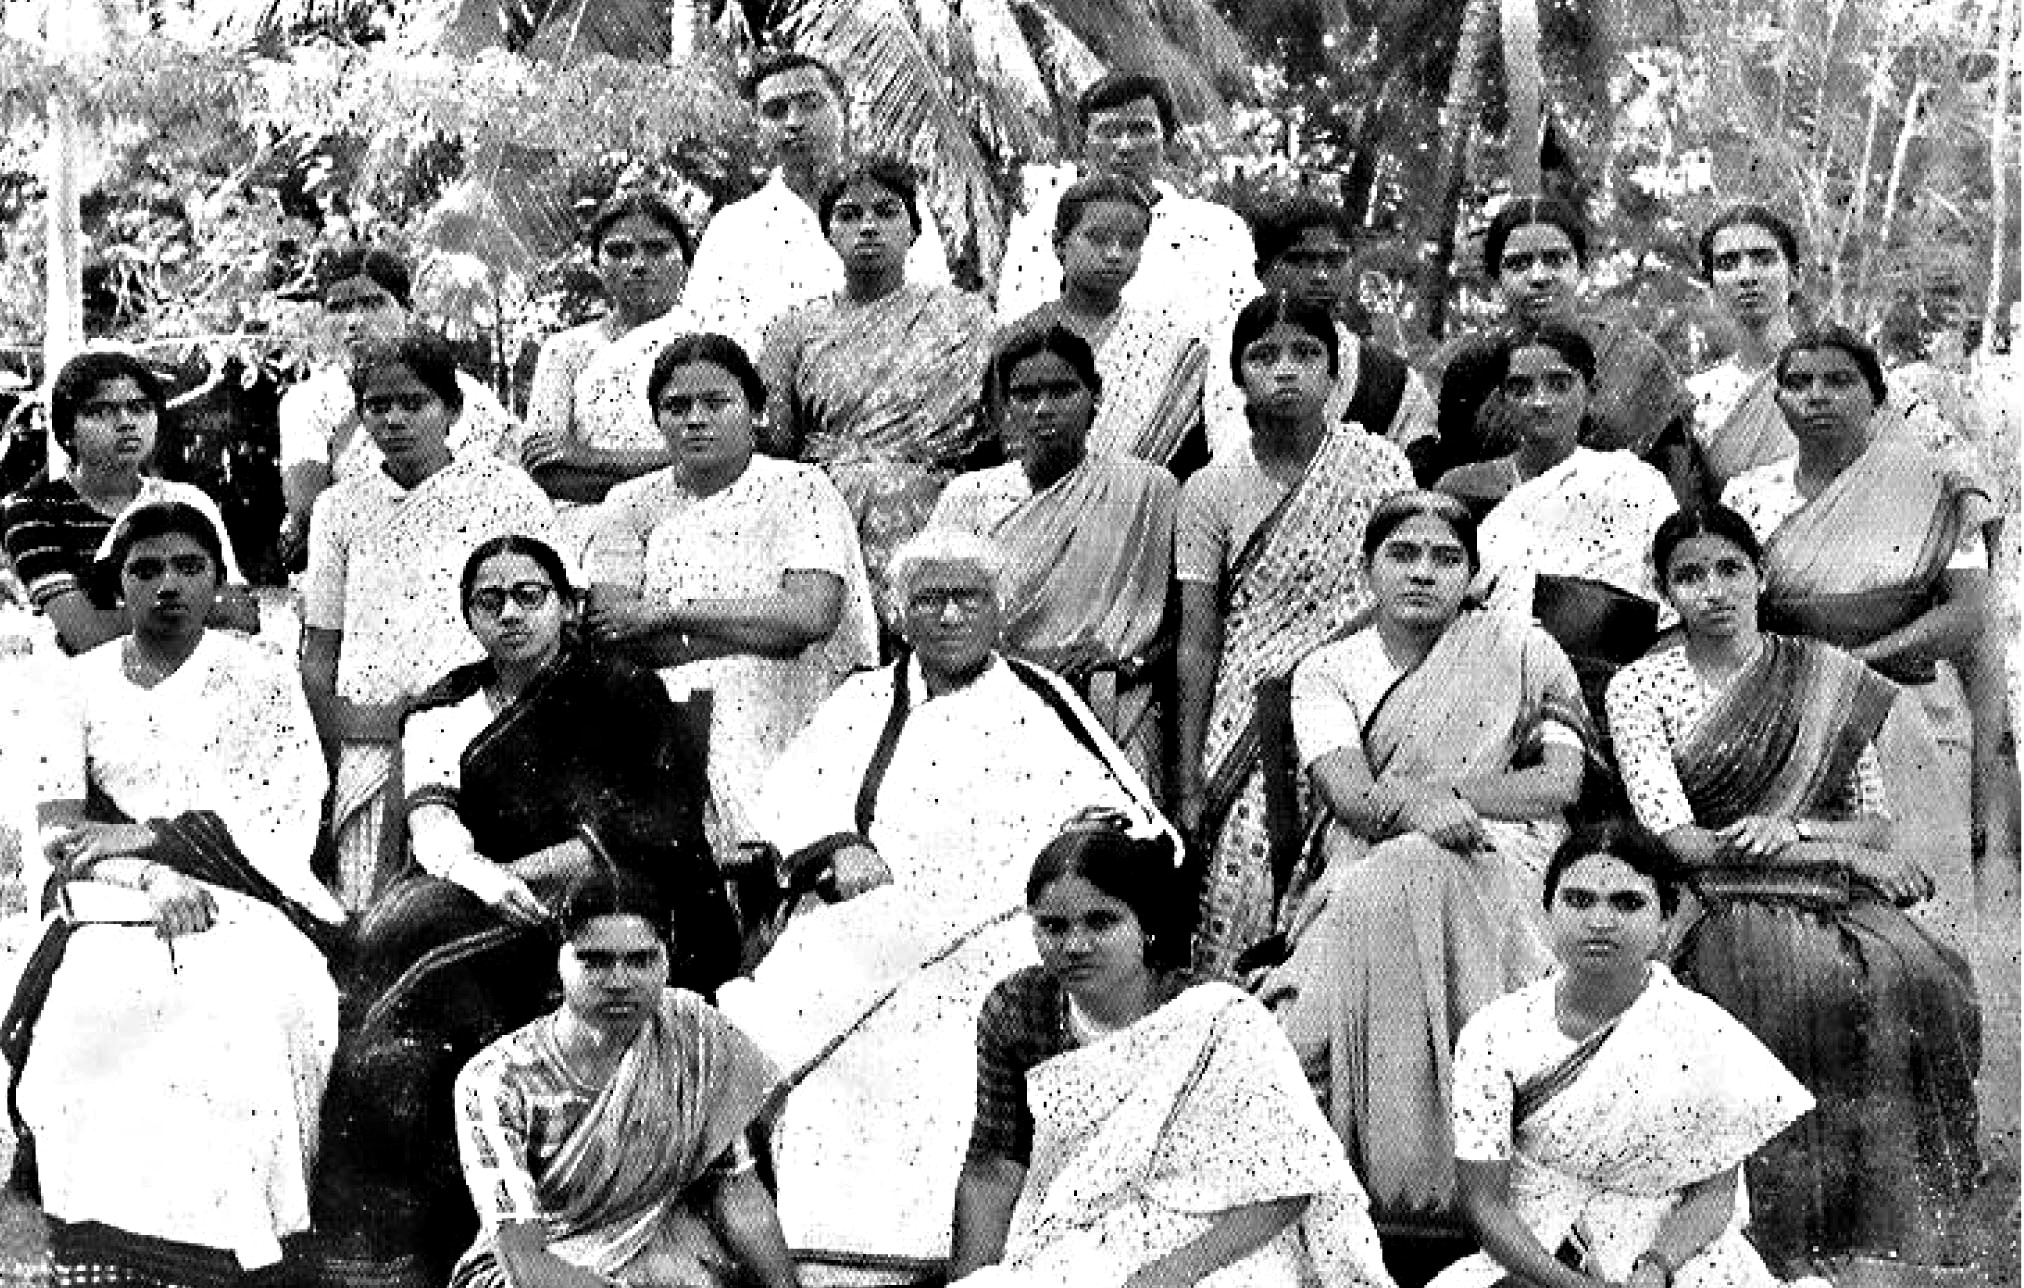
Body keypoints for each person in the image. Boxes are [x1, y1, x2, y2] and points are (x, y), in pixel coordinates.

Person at [715, 528, 1165, 1286]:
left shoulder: (1042, 696)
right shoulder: (863, 697)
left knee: (963, 1036)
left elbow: (1126, 814)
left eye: (969, 598)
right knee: (806, 1026)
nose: (951, 614)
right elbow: (791, 798)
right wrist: (837, 848)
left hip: (1008, 921)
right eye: (930, 600)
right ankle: (839, 1258)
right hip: (872, 919)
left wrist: (1080, 849)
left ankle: (965, 1260)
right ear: (900, 613)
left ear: (999, 609)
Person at [315, 535, 737, 1284]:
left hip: (612, 907)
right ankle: (393, 1255)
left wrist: (516, 874)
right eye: (489, 600)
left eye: (529, 595)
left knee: (415, 968)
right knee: (396, 959)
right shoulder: (448, 704)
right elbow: (433, 822)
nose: (510, 612)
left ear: (566, 605)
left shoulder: (622, 690)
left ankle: (404, 1253)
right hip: (483, 897)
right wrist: (480, 876)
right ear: (469, 617)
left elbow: (649, 826)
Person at [1604, 505, 1983, 1275]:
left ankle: (1893, 1228)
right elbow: (1681, 841)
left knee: (1925, 977)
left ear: (1761, 576)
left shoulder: (1822, 674)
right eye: (1689, 577)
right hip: (1722, 896)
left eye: (1729, 570)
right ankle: (1775, 1234)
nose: (1712, 591)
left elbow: (1872, 827)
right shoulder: (1641, 688)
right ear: (1665, 592)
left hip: (1829, 880)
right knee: (1792, 986)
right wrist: (1822, 857)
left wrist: (1802, 835)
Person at [6, 500, 343, 1287]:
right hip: (113, 896)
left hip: (252, 888)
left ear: (217, 582)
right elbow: (62, 830)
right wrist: (150, 871)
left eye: (190, 568)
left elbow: (286, 806)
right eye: (146, 569)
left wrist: (162, 838)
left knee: (242, 1003)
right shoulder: (74, 681)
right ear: (115, 584)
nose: (168, 586)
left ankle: (242, 1230)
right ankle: (111, 1230)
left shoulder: (259, 673)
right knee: (100, 997)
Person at [1263, 489, 1588, 1226]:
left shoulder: (1525, 650)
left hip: (1500, 844)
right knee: (1397, 873)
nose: (1423, 572)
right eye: (1402, 554)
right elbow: (1351, 796)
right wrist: (1418, 813)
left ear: (1472, 574)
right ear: (1368, 569)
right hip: (1367, 851)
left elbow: (1559, 783)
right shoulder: (1330, 668)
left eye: (1446, 558)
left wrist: (1446, 796)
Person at [948, 812, 1393, 1288]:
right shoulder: (1018, 1009)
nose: (1074, 945)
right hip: (1092, 1234)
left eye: (1100, 922)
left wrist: (1168, 1275)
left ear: (1147, 924)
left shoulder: (1218, 1017)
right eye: (1053, 927)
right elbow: (995, 1167)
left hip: (1225, 1243)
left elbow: (1290, 1183)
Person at [1434, 823, 1815, 1288]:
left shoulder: (1702, 1030)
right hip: (1534, 1257)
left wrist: (1654, 1268)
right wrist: (1571, 1284)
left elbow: (1713, 1197)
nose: (1600, 920)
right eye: (1578, 900)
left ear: (1666, 920)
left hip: (1675, 1256)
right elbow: (1483, 1202)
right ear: (1547, 911)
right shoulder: (1496, 1032)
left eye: (1627, 902)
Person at [1722, 327, 2012, 933]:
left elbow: (1966, 613)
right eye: (1797, 383)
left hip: (1913, 710)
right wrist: (1820, 679)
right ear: (1777, 402)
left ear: (1877, 399)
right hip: (1793, 713)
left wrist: (1860, 664)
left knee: (1927, 908)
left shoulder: (1932, 485)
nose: (1816, 395)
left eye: (1839, 380)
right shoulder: (1748, 494)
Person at [1173, 291, 1412, 974]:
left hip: (1364, 698)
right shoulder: (1211, 489)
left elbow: (1400, 592)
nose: (1285, 370)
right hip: (1246, 716)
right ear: (1238, 375)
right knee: (1239, 879)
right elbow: (1199, 638)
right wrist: (1189, 779)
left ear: (1335, 373)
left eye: (1306, 354)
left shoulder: (1379, 470)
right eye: (1264, 355)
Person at [585, 332, 879, 840]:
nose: (695, 418)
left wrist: (666, 613)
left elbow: (808, 619)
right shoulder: (628, 505)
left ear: (755, 410)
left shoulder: (800, 489)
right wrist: (758, 631)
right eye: (677, 406)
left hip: (795, 703)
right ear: (657, 420)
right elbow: (616, 630)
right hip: (674, 715)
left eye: (716, 402)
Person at [302, 329, 554, 911]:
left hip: (484, 734)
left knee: (474, 901)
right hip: (371, 741)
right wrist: (359, 733)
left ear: (453, 408)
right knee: (370, 912)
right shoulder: (340, 508)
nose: (394, 419)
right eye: (377, 405)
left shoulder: (507, 493)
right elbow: (321, 654)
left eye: (413, 403)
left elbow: (548, 624)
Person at [451, 868, 798, 1288]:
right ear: (559, 961)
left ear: (667, 959)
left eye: (641, 960)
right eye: (594, 960)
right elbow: (524, 1259)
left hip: (661, 1250)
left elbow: (737, 1192)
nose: (619, 981)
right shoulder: (496, 1081)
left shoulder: (693, 1032)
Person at [929, 324, 1177, 793]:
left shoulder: (1148, 490)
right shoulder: (970, 497)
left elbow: (1178, 623)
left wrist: (1130, 663)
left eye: (1062, 390)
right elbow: (930, 621)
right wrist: (1024, 661)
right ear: (1004, 407)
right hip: (995, 701)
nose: (1044, 409)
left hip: (1116, 703)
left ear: (1094, 396)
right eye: (1025, 395)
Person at [758, 157, 994, 593]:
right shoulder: (793, 330)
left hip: (939, 511)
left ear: (913, 229)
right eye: (849, 215)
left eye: (886, 212)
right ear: (828, 232)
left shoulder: (966, 317)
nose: (868, 227)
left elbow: (997, 432)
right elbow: (775, 452)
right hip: (827, 516)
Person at [1442, 323, 1674, 714]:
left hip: (1615, 680)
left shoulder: (1633, 482)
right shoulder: (1464, 486)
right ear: (1501, 399)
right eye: (1520, 388)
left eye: (1559, 383)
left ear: (1591, 391)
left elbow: (1670, 588)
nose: (1540, 401)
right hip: (1492, 681)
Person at [683, 52, 951, 355]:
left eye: (810, 104)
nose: (794, 122)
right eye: (775, 111)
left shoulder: (897, 207)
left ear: (844, 111)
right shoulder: (732, 230)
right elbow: (707, 343)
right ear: (758, 128)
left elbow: (935, 309)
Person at [1432, 196, 1695, 502]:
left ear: (1581, 266)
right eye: (1519, 264)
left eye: (1555, 260)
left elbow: (1674, 472)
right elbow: (1452, 486)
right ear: (1496, 277)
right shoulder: (1468, 366)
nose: (1539, 277)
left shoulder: (1633, 357)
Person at [0, 349, 255, 655]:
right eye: (101, 411)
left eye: (139, 407)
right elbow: (84, 635)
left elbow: (241, 616)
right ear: (67, 430)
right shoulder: (35, 511)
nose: (126, 422)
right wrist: (206, 613)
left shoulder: (188, 502)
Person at [277, 248, 519, 557]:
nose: (354, 321)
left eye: (372, 303)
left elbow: (507, 486)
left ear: (407, 311)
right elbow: (308, 510)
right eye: (338, 308)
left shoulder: (464, 393)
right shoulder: (307, 401)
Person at [994, 73, 1257, 347]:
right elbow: (1015, 330)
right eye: (1108, 131)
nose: (1124, 146)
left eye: (1141, 130)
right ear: (1084, 142)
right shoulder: (1041, 226)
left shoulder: (1216, 231)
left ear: (1166, 139)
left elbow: (1241, 336)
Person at [519, 191, 698, 559]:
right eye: (618, 251)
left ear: (686, 259)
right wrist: (674, 462)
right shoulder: (565, 352)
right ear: (597, 264)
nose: (637, 264)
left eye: (656, 249)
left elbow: (725, 456)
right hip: (592, 534)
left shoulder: (710, 344)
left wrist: (592, 459)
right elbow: (548, 472)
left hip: (696, 522)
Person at [999, 175, 1212, 477]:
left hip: (1132, 512)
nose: (1115, 254)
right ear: (1059, 244)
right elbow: (996, 447)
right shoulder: (1015, 339)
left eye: (1131, 243)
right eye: (1098, 239)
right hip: (1026, 507)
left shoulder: (1172, 351)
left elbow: (1186, 462)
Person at [1207, 197, 1437, 470]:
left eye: (1335, 260)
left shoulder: (1388, 379)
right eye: (1300, 260)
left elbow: (1414, 480)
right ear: (1260, 270)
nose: (1321, 276)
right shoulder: (1216, 363)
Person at [1686, 205, 1804, 495]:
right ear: (1711, 287)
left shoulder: (1845, 374)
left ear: (1795, 276)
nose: (1747, 276)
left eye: (1763, 259)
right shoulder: (1695, 399)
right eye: (1728, 263)